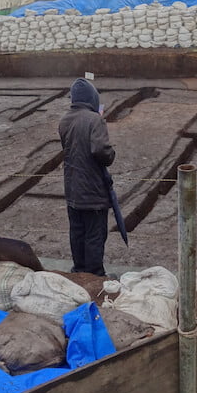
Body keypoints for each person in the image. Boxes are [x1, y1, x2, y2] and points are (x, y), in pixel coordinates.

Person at [58, 78, 116, 276]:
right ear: (92, 98)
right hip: (92, 191)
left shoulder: (64, 120)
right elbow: (102, 151)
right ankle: (94, 276)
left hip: (72, 190)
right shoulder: (94, 120)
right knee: (94, 235)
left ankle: (79, 272)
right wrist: (111, 154)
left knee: (77, 233)